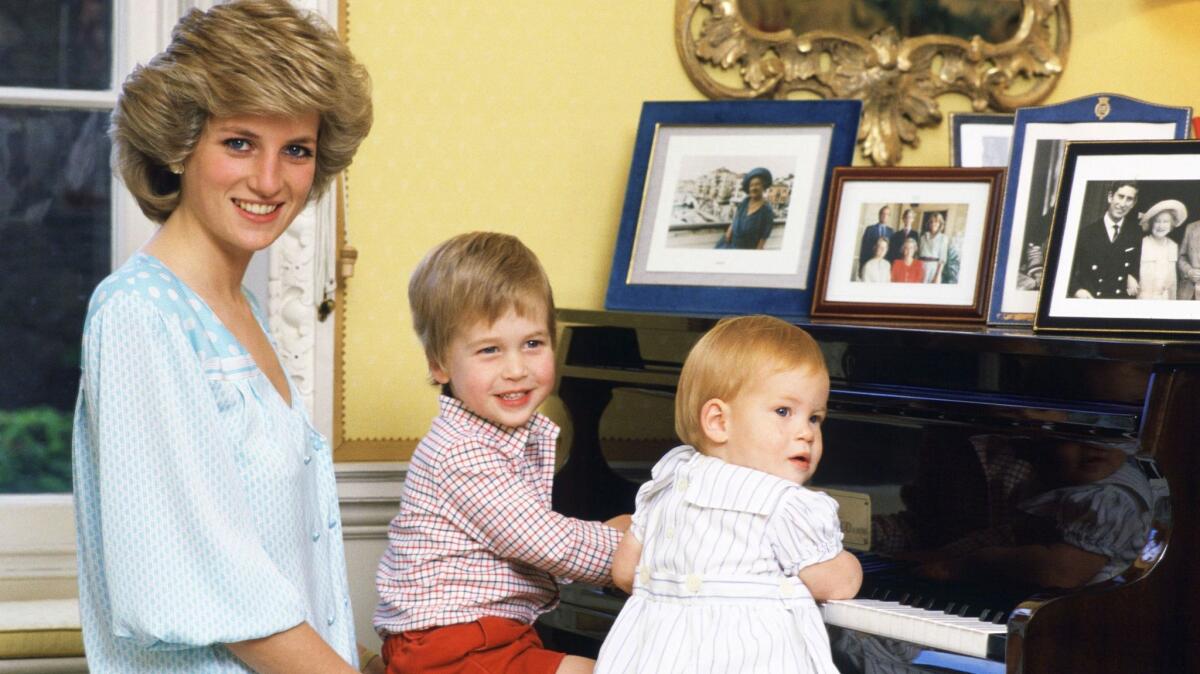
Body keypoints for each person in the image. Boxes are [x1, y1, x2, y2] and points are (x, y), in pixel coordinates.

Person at [71, 2, 375, 673]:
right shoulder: (138, 315)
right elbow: (199, 582)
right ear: (179, 145)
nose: (269, 182)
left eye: (295, 151)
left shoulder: (235, 310)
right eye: (239, 142)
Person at [374, 232, 630, 674]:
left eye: (533, 343)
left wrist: (610, 536)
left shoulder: (507, 436)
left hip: (488, 635)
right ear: (439, 364)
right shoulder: (462, 452)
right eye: (490, 350)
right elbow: (545, 542)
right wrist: (628, 548)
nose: (516, 369)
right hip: (448, 646)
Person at [594, 315, 862, 674]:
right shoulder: (783, 503)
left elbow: (625, 572)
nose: (806, 433)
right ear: (719, 421)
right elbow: (837, 584)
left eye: (815, 417)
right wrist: (852, 566)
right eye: (784, 411)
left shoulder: (669, 482)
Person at [1068, 181, 1142, 299]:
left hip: (1120, 301)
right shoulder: (1086, 233)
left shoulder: (1136, 233)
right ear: (1110, 197)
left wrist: (1132, 275)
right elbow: (1066, 271)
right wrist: (1077, 290)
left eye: (1129, 199)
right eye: (1120, 196)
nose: (1123, 204)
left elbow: (1138, 265)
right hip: (1091, 299)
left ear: (1133, 203)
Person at [715, 167, 776, 249]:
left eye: (757, 184)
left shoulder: (767, 211)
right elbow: (736, 218)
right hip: (728, 244)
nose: (753, 188)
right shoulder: (745, 201)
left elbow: (763, 238)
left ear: (763, 186)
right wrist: (728, 234)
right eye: (751, 185)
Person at [1136, 199, 1185, 300]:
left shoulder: (1173, 246)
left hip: (1164, 298)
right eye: (1157, 221)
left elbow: (1173, 280)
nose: (1161, 226)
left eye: (1166, 222)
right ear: (1150, 224)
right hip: (1143, 297)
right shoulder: (1142, 244)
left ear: (1171, 225)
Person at [858, 205, 894, 274]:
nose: (884, 216)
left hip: (884, 267)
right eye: (883, 213)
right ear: (879, 215)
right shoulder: (870, 229)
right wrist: (861, 266)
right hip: (870, 264)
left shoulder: (891, 232)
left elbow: (891, 252)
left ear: (889, 217)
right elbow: (864, 249)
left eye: (887, 214)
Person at [917, 212, 948, 283]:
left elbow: (942, 259)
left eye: (936, 222)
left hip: (933, 268)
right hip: (921, 266)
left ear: (940, 224)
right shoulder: (923, 237)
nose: (933, 224)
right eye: (931, 221)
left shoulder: (943, 238)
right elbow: (918, 254)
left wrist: (938, 275)